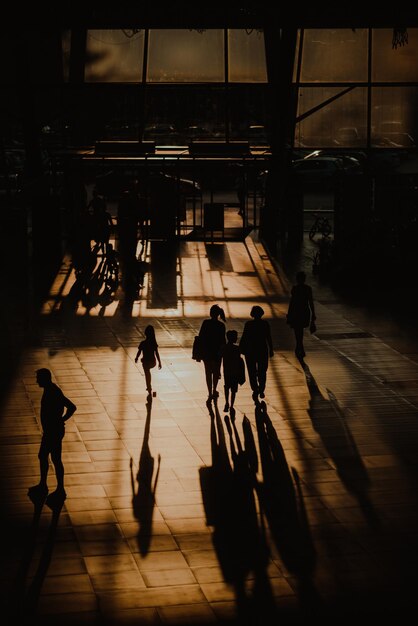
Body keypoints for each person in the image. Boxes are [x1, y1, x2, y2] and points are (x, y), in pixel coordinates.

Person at [29, 368, 76, 502]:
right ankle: (51, 486)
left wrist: (61, 419)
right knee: (52, 457)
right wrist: (61, 420)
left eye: (38, 378)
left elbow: (72, 407)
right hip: (53, 430)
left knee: (49, 457)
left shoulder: (53, 392)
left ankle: (53, 487)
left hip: (53, 431)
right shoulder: (52, 390)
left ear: (44, 378)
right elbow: (71, 407)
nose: (36, 381)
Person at [239, 305, 274, 402]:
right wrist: (271, 349)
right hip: (262, 349)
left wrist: (241, 348)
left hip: (250, 350)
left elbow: (244, 337)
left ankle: (255, 388)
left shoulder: (249, 324)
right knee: (262, 371)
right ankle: (262, 388)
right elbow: (268, 337)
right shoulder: (265, 324)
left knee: (252, 371)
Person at [198, 304, 226, 403]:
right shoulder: (221, 326)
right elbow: (223, 341)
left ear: (211, 313)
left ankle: (209, 392)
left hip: (207, 352)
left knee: (208, 373)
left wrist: (199, 353)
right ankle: (214, 390)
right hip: (217, 353)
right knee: (215, 373)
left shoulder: (205, 323)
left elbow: (200, 337)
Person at [286, 271, 316, 361]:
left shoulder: (295, 289)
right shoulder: (308, 289)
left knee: (297, 329)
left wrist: (289, 313)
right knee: (301, 329)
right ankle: (300, 346)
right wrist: (313, 313)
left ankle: (299, 346)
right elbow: (310, 302)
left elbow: (292, 302)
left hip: (296, 311)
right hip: (305, 311)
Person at [220, 329, 245, 413]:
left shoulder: (224, 348)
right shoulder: (237, 349)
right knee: (234, 390)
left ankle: (226, 402)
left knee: (227, 386)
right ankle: (231, 405)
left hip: (227, 371)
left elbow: (220, 357)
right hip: (235, 371)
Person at [135, 325, 162, 397]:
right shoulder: (153, 343)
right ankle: (149, 386)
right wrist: (159, 362)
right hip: (153, 362)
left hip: (146, 362)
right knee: (147, 372)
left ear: (145, 333)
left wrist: (136, 358)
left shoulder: (143, 343)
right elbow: (156, 353)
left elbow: (139, 351)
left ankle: (149, 387)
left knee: (147, 372)